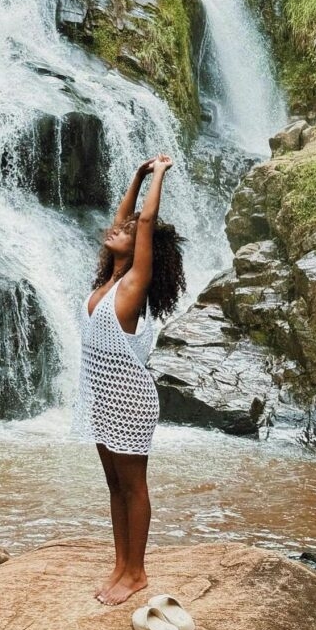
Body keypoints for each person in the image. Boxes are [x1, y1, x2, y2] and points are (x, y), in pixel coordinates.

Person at [70, 155, 186, 605]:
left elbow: (145, 221)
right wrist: (135, 176)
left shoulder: (135, 281)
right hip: (103, 397)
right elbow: (126, 219)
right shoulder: (108, 277)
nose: (118, 228)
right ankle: (120, 565)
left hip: (130, 398)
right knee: (114, 485)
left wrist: (158, 174)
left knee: (134, 485)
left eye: (129, 230)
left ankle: (136, 573)